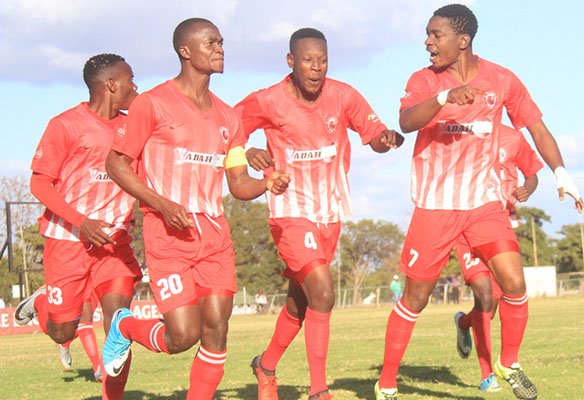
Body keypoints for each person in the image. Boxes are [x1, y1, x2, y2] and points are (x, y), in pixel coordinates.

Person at [374, 4, 584, 400]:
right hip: (435, 206)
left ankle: (510, 364)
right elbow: (405, 121)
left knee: (514, 283)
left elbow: (536, 128)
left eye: (436, 35)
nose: (428, 42)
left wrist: (561, 173)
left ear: (463, 40)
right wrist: (444, 97)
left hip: (484, 204)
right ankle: (386, 382)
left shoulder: (502, 79)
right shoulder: (423, 80)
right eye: (428, 34)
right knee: (415, 299)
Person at [102, 18, 289, 400]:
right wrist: (161, 203)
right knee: (182, 335)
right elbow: (116, 163)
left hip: (215, 235)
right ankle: (124, 328)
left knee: (217, 327)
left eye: (220, 42)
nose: (220, 48)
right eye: (210, 43)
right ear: (185, 51)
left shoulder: (229, 117)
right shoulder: (151, 103)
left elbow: (237, 185)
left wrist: (265, 184)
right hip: (167, 232)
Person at [234, 27, 403, 400]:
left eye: (323, 60)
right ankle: (319, 392)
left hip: (330, 211)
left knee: (302, 300)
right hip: (290, 210)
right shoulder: (267, 100)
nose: (316, 68)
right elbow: (227, 130)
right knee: (324, 293)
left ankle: (266, 366)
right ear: (291, 61)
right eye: (308, 60)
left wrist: (385, 139)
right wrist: (246, 154)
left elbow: (372, 134)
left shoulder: (342, 94)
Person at [14, 53, 141, 399]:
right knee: (61, 331)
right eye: (131, 79)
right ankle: (43, 304)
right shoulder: (65, 124)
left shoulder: (135, 127)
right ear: (111, 84)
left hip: (114, 242)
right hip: (67, 241)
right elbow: (40, 184)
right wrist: (82, 223)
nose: (136, 86)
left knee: (118, 323)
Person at [453, 123, 545, 392]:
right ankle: (486, 375)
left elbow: (532, 173)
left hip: (500, 224)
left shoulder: (513, 137)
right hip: (464, 226)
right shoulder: (460, 132)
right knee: (484, 296)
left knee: (493, 302)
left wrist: (528, 188)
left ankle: (463, 323)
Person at [57, 291, 103, 382]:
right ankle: (98, 368)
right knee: (85, 322)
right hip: (78, 283)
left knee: (83, 323)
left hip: (96, 282)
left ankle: (65, 342)